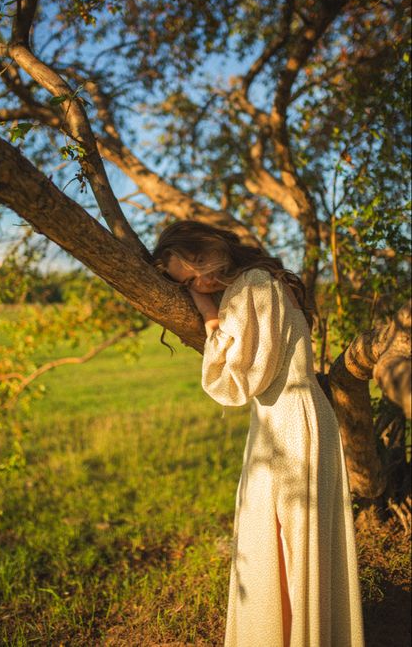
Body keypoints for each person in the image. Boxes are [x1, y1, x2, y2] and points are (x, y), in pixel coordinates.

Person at [152, 220, 364, 647]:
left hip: (289, 423)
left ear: (208, 244)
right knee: (289, 539)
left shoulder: (252, 285)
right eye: (190, 280)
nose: (201, 279)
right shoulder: (262, 279)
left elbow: (238, 380)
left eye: (196, 266)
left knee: (287, 539)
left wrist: (210, 316)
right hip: (288, 418)